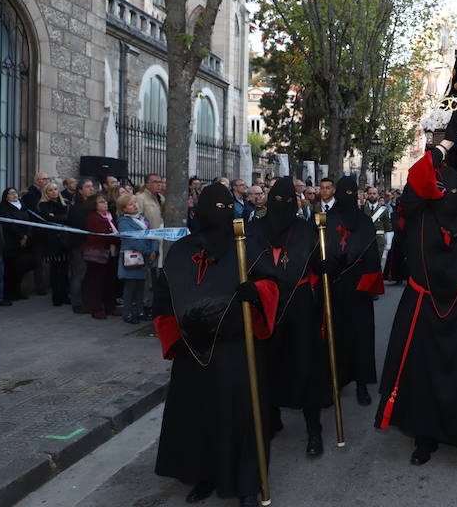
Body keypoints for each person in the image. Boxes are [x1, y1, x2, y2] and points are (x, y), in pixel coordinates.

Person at [374, 110, 457, 486]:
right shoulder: (417, 203)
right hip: (424, 299)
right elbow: (418, 178)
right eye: (442, 186)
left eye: (455, 189)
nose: (449, 193)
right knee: (422, 375)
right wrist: (445, 143)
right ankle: (425, 437)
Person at [152, 182, 279, 507]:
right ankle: (203, 474)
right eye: (215, 207)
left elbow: (273, 283)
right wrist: (173, 336)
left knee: (243, 419)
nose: (221, 214)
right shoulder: (182, 250)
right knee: (200, 417)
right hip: (193, 351)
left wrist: (258, 291)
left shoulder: (246, 246)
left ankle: (247, 483)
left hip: (237, 350)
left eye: (227, 207)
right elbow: (166, 299)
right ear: (200, 210)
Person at [246, 178, 330, 456]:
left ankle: (314, 429)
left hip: (300, 307)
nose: (282, 206)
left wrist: (329, 265)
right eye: (277, 200)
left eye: (287, 201)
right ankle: (271, 420)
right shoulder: (254, 229)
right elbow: (245, 264)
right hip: (264, 306)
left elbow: (317, 263)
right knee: (266, 365)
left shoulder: (307, 231)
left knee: (306, 367)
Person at [323, 176, 384, 406]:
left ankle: (361, 384)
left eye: (351, 193)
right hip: (335, 287)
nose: (347, 197)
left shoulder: (365, 222)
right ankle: (335, 382)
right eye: (344, 192)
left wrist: (368, 281)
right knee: (336, 336)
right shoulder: (328, 220)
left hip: (359, 289)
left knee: (360, 338)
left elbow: (372, 256)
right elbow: (321, 249)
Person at [117, 194, 158, 324]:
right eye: (130, 204)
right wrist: (148, 251)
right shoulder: (124, 221)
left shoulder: (142, 218)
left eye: (135, 202)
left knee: (141, 285)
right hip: (132, 258)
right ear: (123, 209)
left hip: (145, 257)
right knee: (130, 286)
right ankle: (127, 313)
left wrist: (154, 250)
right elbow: (132, 241)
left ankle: (139, 311)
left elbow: (151, 234)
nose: (135, 205)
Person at [81, 195, 120, 319]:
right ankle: (96, 308)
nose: (105, 203)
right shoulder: (93, 217)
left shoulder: (109, 216)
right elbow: (102, 235)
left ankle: (110, 306)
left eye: (105, 201)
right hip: (99, 254)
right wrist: (118, 238)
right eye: (101, 202)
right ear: (94, 205)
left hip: (112, 253)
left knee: (110, 281)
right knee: (97, 282)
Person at [37, 183, 70, 306]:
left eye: (55, 189)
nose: (54, 192)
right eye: (50, 190)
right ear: (46, 193)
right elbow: (48, 219)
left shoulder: (64, 203)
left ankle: (65, 295)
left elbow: (68, 217)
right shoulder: (44, 204)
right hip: (53, 241)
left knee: (65, 269)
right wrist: (58, 217)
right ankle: (57, 297)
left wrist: (56, 217)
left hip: (65, 239)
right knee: (55, 270)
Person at [0, 188, 33, 302]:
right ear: (6, 196)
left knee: (20, 269)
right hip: (11, 242)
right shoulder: (4, 208)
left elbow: (28, 222)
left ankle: (17, 292)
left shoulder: (22, 206)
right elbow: (8, 224)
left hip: (23, 242)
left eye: (15, 193)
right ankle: (8, 294)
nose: (14, 195)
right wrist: (21, 236)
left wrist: (26, 236)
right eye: (11, 193)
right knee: (10, 269)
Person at [137, 174, 165, 318]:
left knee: (156, 276)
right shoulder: (141, 199)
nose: (159, 185)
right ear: (147, 184)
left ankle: (153, 305)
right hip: (148, 242)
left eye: (160, 182)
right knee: (148, 276)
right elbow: (139, 223)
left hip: (160, 242)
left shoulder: (161, 198)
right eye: (155, 182)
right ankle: (145, 305)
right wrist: (148, 246)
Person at [67, 179, 96, 314]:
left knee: (88, 274)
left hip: (90, 244)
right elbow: (80, 225)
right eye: (87, 187)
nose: (91, 189)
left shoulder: (90, 205)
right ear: (80, 190)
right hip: (80, 244)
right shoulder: (78, 207)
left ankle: (87, 300)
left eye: (92, 187)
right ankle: (77, 303)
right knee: (79, 274)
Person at [23, 172, 51, 295]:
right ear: (38, 180)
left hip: (46, 231)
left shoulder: (45, 192)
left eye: (47, 179)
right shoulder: (30, 194)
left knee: (45, 259)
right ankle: (40, 287)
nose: (47, 181)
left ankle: (46, 285)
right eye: (45, 179)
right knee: (38, 261)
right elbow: (35, 212)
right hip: (36, 232)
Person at [362, 187, 393, 272]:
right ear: (367, 195)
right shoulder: (362, 209)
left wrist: (388, 243)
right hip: (366, 239)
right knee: (367, 262)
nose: (372, 195)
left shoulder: (384, 210)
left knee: (378, 262)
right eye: (370, 193)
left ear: (378, 195)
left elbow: (388, 227)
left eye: (374, 193)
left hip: (379, 240)